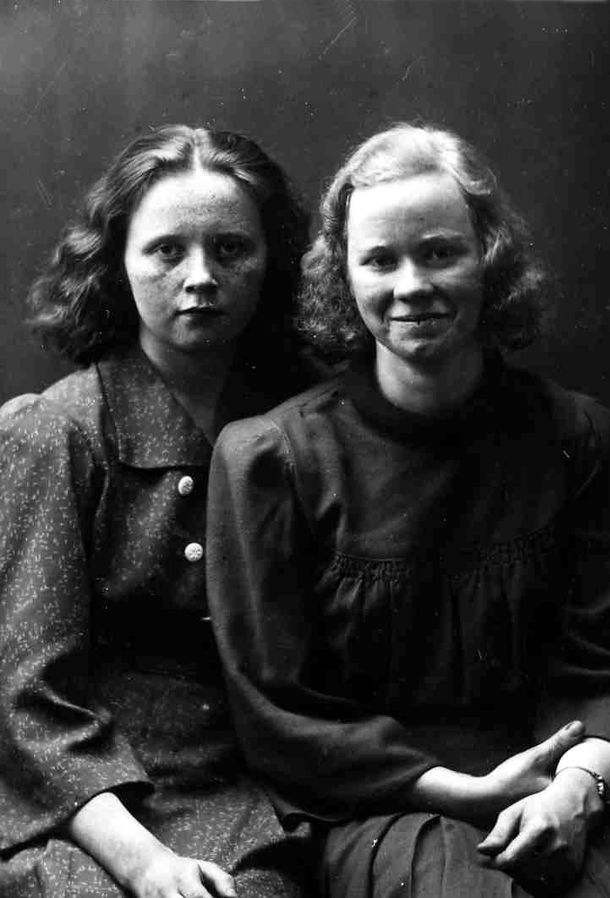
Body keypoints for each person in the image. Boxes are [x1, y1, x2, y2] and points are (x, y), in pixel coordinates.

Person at [205, 124, 610, 897]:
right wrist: (464, 792)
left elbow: (607, 659)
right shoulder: (272, 459)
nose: (411, 286)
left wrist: (578, 787)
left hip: (568, 782)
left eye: (439, 253)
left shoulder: (579, 436)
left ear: (488, 258)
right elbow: (277, 717)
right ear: (344, 275)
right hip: (385, 808)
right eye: (380, 260)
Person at [0, 125, 315, 898]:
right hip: (82, 803)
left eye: (231, 250)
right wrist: (143, 863)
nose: (200, 277)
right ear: (118, 263)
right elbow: (27, 699)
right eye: (167, 251)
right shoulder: (57, 431)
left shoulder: (298, 425)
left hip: (245, 791)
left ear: (271, 261)